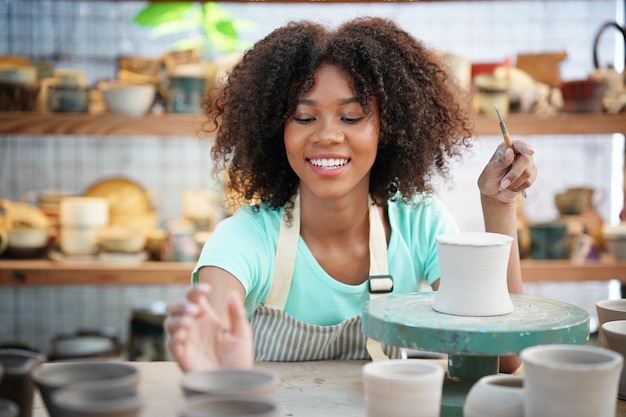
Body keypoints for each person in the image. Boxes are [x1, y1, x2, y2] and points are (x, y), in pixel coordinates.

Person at [164, 17, 537, 374]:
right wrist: (212, 369)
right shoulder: (245, 238)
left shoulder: (417, 222)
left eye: (352, 117)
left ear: (387, 128)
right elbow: (208, 343)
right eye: (304, 118)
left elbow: (502, 356)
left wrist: (499, 202)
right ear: (276, 131)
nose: (327, 135)